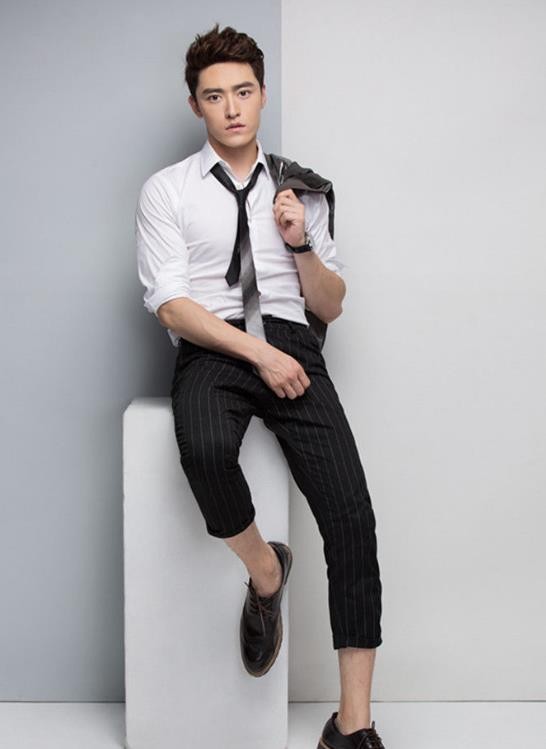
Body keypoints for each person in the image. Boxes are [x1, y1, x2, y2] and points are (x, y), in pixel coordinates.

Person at [135, 23, 386, 749]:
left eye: (243, 91)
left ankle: (353, 725)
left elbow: (332, 302)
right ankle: (267, 572)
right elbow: (171, 304)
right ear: (196, 105)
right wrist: (256, 354)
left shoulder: (301, 188)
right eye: (215, 96)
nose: (232, 108)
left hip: (293, 339)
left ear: (263, 95)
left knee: (350, 516)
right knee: (206, 449)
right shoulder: (167, 190)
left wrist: (300, 243)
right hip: (213, 341)